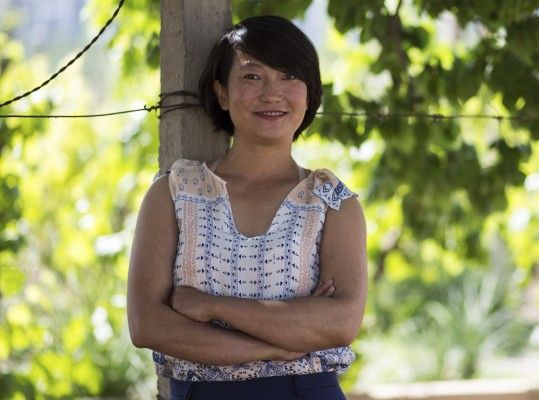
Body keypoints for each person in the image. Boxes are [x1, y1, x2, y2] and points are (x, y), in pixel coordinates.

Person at [127, 15, 368, 400]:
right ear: (222, 93)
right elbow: (147, 325)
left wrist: (210, 306)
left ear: (309, 93)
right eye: (252, 76)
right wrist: (279, 345)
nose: (272, 94)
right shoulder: (174, 193)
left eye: (289, 76)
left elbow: (340, 323)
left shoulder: (333, 201)